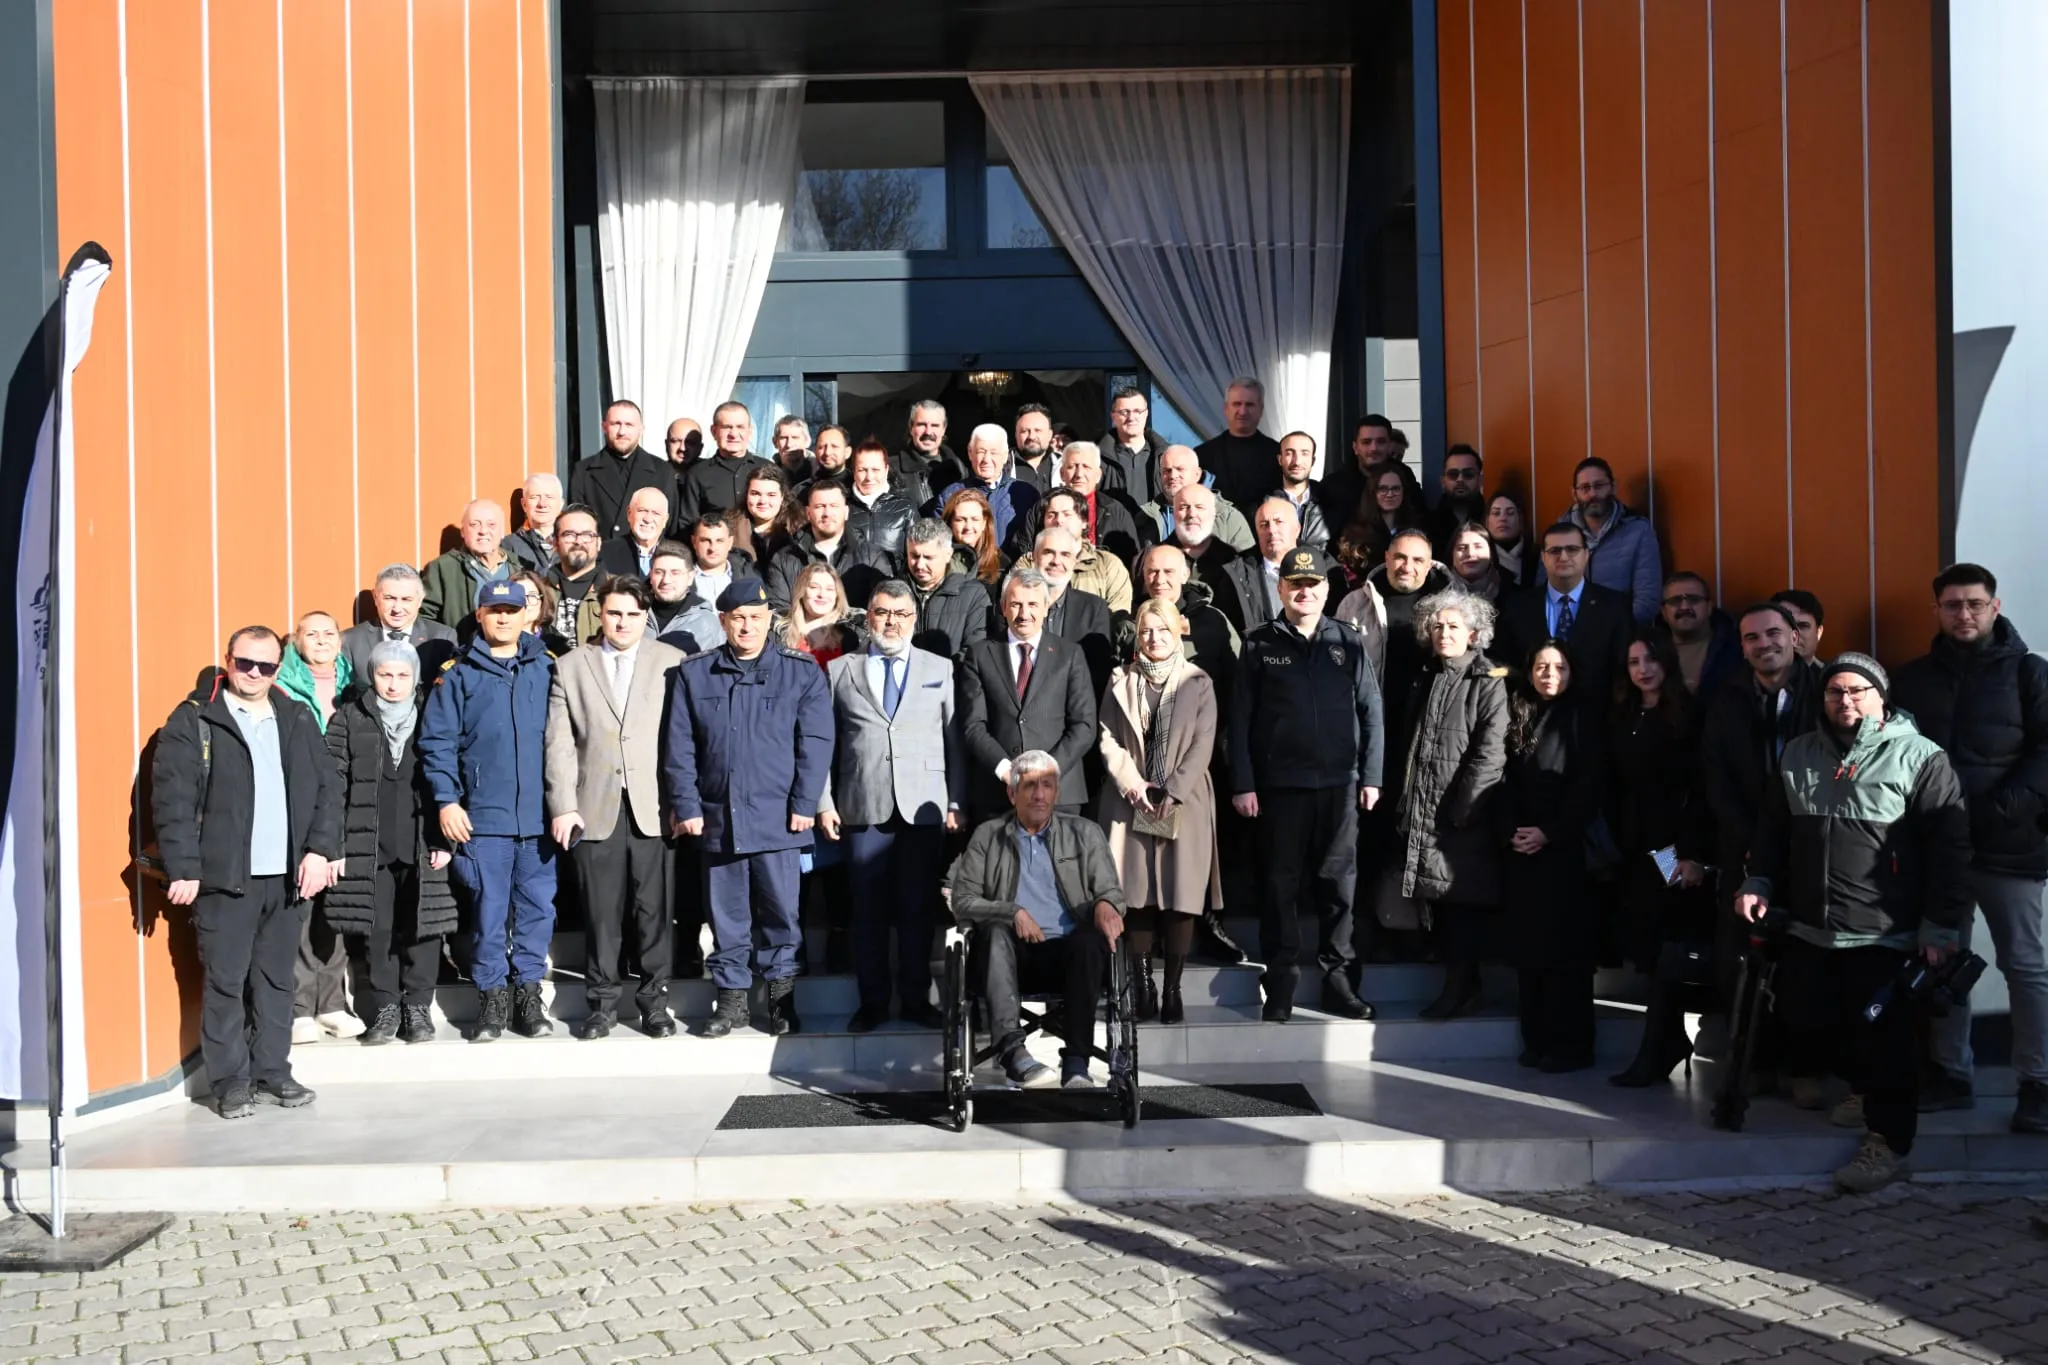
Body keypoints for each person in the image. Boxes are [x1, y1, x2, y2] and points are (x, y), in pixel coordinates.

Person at [1737, 653, 1972, 1192]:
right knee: (1811, 1017)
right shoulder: (1799, 753)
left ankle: (1888, 1144)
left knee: (1885, 1041)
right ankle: (1861, 1089)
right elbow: (1772, 831)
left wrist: (1940, 927)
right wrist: (1758, 882)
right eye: (1834, 691)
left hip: (1884, 929)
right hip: (1811, 927)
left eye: (1857, 691)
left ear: (1881, 698)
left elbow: (1950, 851)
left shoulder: (1921, 757)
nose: (1845, 700)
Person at [152, 626, 341, 1120]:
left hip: (287, 878)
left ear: (278, 668)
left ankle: (274, 1072)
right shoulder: (195, 719)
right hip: (224, 880)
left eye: (266, 665)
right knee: (226, 983)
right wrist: (184, 867)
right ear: (228, 660)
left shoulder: (296, 716)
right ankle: (231, 1083)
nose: (255, 673)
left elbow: (327, 789)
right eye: (245, 663)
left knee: (277, 982)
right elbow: (172, 801)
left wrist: (320, 851)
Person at [1891, 563, 2048, 1129]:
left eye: (1975, 604)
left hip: (2010, 846)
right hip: (1938, 851)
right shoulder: (1912, 679)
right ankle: (1951, 1074)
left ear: (1994, 607)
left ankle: (2038, 1083)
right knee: (1941, 960)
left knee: (2024, 966)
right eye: (1953, 604)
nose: (1964, 614)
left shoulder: (2030, 673)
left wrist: (1997, 810)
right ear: (1936, 610)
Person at [664, 577, 834, 1039]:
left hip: (780, 817)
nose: (747, 627)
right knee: (726, 915)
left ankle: (781, 998)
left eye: (756, 618)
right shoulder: (696, 673)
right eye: (737, 618)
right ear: (723, 621)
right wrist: (687, 805)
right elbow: (679, 746)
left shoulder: (800, 672)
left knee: (781, 913)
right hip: (719, 816)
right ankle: (732, 999)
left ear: (769, 620)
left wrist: (805, 803)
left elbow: (816, 743)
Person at [1229, 546, 1383, 1023]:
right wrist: (1243, 782)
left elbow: (1371, 713)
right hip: (1280, 788)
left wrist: (1372, 776)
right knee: (1281, 888)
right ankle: (1280, 985)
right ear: (1280, 589)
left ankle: (1340, 983)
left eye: (1312, 584)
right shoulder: (1258, 644)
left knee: (1339, 887)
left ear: (1326, 589)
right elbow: (1240, 720)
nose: (1304, 592)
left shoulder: (1348, 641)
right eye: (1295, 585)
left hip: (1341, 785)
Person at [818, 582, 964, 1032]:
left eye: (901, 614)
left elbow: (953, 741)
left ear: (914, 620)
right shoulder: (840, 670)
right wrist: (824, 802)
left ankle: (917, 999)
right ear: (869, 617)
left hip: (924, 806)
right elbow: (825, 743)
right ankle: (874, 1002)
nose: (891, 622)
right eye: (883, 613)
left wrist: (955, 799)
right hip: (862, 804)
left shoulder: (940, 668)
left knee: (918, 908)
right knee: (868, 911)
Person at [544, 577, 685, 1040]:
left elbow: (682, 739)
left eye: (632, 614)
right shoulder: (570, 666)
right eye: (614, 613)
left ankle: (654, 1003)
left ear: (646, 617)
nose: (623, 622)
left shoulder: (671, 662)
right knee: (601, 914)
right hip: (593, 806)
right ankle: (601, 1005)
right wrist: (563, 805)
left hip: (655, 806)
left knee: (654, 911)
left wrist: (682, 801)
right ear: (600, 614)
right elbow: (559, 743)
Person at [418, 580, 558, 1043]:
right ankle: (492, 999)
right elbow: (437, 743)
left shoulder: (548, 667)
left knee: (537, 911)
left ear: (525, 615)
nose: (502, 618)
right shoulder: (458, 674)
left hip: (539, 819)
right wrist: (447, 800)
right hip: (483, 818)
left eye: (511, 610)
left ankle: (528, 996)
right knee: (487, 914)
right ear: (479, 615)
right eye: (494, 610)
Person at [947, 750, 1129, 1089]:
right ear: (1012, 793)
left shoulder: (1085, 833)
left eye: (1047, 785)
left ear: (1057, 791)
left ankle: (1076, 1061)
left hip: (1069, 956)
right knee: (994, 934)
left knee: (1090, 941)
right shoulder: (988, 835)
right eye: (1030, 786)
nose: (1040, 795)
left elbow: (1111, 891)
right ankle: (1013, 1052)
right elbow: (963, 900)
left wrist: (1106, 904)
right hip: (1010, 958)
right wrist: (1011, 911)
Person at [1699, 601, 1820, 1059]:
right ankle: (1752, 1062)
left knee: (1804, 964)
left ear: (1795, 638)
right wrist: (1750, 844)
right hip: (1744, 851)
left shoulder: (1826, 693)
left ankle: (1803, 1067)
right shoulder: (1726, 698)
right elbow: (1715, 778)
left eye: (1773, 634)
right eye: (1752, 637)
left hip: (1811, 851)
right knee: (1738, 962)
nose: (1763, 644)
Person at [322, 640, 455, 1047]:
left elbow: (448, 777)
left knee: (423, 927)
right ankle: (385, 1006)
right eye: (385, 674)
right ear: (372, 675)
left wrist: (443, 838)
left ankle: (418, 1007)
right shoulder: (349, 718)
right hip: (368, 843)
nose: (394, 684)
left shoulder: (434, 714)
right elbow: (331, 785)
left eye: (402, 675)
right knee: (377, 928)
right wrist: (334, 845)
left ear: (415, 678)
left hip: (422, 840)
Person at [1098, 598, 1221, 1025]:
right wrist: (1134, 785)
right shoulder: (1120, 679)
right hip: (1131, 799)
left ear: (1177, 632)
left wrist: (1173, 789)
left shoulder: (1197, 681)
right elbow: (1108, 738)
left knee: (1180, 893)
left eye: (1162, 630)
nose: (1154, 638)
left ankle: (1172, 990)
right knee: (1137, 893)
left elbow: (1203, 742)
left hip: (1182, 799)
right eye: (1146, 631)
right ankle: (1144, 985)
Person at [1392, 590, 1509, 1020]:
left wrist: (1464, 810)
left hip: (1460, 816)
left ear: (1474, 634)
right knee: (1439, 902)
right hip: (1425, 808)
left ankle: (1460, 989)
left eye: (1454, 626)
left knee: (1459, 904)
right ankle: (1460, 986)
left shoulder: (1488, 680)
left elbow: (1490, 753)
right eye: (1438, 626)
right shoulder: (1429, 675)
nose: (1444, 633)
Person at [1608, 629, 1717, 1087]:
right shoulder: (1624, 712)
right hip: (1635, 849)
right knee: (1648, 948)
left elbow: (1700, 790)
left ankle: (1658, 1049)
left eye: (1651, 659)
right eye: (1634, 662)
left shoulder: (1689, 714)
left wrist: (1690, 856)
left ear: (1667, 661)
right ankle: (1667, 1041)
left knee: (1666, 945)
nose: (1643, 670)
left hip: (1670, 849)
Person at [1135, 543, 1247, 966]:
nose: (1159, 579)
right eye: (1152, 571)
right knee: (1151, 852)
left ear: (1185, 575)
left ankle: (1208, 925)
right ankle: (1157, 936)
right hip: (1147, 762)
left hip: (1202, 756)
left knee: (1200, 853)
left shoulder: (1212, 621)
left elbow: (1236, 683)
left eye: (1169, 571)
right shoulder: (1133, 620)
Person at [1501, 640, 1602, 1071]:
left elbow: (1589, 784)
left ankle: (1570, 1046)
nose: (1549, 675)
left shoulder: (1584, 715)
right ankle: (1537, 1040)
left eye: (1559, 666)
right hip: (1523, 850)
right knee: (1530, 952)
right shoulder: (1519, 712)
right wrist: (1514, 832)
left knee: (1566, 954)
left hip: (1566, 851)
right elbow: (1505, 779)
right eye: (1541, 667)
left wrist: (1550, 832)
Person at [276, 611, 361, 1043]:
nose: (322, 640)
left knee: (336, 906)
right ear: (297, 641)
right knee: (302, 905)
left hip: (347, 804)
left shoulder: (356, 684)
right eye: (312, 633)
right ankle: (299, 1008)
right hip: (300, 804)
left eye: (329, 633)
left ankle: (332, 1004)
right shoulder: (280, 687)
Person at [958, 566, 1097, 817]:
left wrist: (1046, 771)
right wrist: (1005, 770)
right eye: (1016, 604)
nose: (1024, 614)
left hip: (1059, 794)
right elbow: (973, 725)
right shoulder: (979, 655)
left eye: (1033, 604)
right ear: (1003, 607)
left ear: (1046, 607)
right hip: (997, 796)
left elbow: (1084, 725)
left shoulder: (1070, 655)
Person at [1495, 521, 1632, 704]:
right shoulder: (1516, 606)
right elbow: (1507, 665)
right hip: (1533, 713)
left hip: (1597, 714)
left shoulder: (1615, 606)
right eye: (1555, 551)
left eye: (1572, 549)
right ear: (1543, 558)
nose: (1564, 557)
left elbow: (1622, 670)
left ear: (1587, 555)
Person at [1538, 457, 1663, 623]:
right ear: (1574, 494)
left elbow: (1647, 601)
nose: (1592, 494)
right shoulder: (1558, 534)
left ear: (1613, 487)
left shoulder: (1638, 531)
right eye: (1585, 488)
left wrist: (1608, 630)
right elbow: (1543, 593)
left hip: (1622, 633)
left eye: (1599, 486)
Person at [1333, 529, 1452, 698]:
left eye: (1417, 560)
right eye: (1400, 557)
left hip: (1431, 708)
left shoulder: (1452, 606)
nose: (1407, 567)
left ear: (1429, 565)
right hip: (1370, 708)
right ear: (1387, 558)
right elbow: (1337, 662)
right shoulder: (1354, 604)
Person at [765, 478, 892, 612]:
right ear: (808, 513)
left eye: (834, 506)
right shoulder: (785, 558)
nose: (827, 513)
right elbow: (779, 612)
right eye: (820, 506)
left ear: (846, 512)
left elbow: (883, 608)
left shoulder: (872, 557)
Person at [569, 399, 679, 540]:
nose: (622, 432)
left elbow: (670, 524)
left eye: (629, 425)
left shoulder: (662, 471)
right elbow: (577, 522)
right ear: (604, 427)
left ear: (641, 429)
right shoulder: (584, 471)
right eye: (616, 424)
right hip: (602, 551)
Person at [1032, 525, 1116, 697]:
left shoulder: (1094, 608)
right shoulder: (1015, 605)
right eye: (1048, 552)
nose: (1056, 561)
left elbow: (1098, 675)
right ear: (1034, 557)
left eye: (1065, 554)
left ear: (1074, 561)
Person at [341, 563, 460, 681]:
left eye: (406, 599)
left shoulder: (443, 637)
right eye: (389, 598)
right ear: (375, 597)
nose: (397, 609)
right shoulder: (350, 640)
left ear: (420, 600)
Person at [938, 424, 1039, 550]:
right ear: (970, 453)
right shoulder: (949, 495)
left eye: (994, 453)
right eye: (981, 452)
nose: (986, 459)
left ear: (1005, 456)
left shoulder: (1026, 493)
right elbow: (939, 544)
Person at [902, 517, 990, 659]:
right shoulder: (893, 593)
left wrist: (944, 670)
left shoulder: (973, 595)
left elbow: (975, 651)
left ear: (948, 555)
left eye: (928, 557)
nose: (920, 565)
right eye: (914, 556)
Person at [1139, 445, 1254, 553]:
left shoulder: (1226, 516)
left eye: (1180, 469)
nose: (1173, 476)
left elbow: (1248, 562)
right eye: (1166, 471)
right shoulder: (1145, 517)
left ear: (1197, 474)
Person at [1216, 497, 1303, 638]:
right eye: (1264, 525)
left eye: (1279, 522)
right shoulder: (1236, 575)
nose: (1271, 530)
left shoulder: (1325, 570)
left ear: (1297, 529)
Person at [1194, 377, 1281, 516]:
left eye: (1250, 405)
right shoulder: (1202, 455)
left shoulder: (1279, 455)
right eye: (1236, 404)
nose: (1242, 411)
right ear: (1226, 408)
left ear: (1261, 409)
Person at [675, 401, 772, 524]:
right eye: (727, 427)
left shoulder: (768, 469)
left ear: (750, 431)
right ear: (713, 431)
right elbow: (687, 523)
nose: (733, 434)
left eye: (740, 427)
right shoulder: (698, 474)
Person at [421, 499, 514, 624]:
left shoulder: (519, 566)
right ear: (463, 532)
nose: (483, 531)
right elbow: (425, 620)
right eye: (474, 525)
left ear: (502, 531)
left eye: (491, 525)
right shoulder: (442, 569)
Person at [1043, 488, 1133, 614]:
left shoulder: (1108, 565)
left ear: (1084, 522)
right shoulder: (1029, 563)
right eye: (1051, 515)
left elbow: (1119, 616)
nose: (1059, 520)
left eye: (1067, 514)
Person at [1655, 571, 1741, 697]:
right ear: (1663, 612)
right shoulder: (1650, 651)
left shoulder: (1736, 647)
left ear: (1709, 607)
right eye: (1675, 601)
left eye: (1694, 599)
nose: (1685, 607)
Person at [1056, 441, 1143, 565]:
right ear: (1062, 473)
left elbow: (1132, 560)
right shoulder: (1045, 508)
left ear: (1098, 475)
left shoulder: (1116, 512)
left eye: (1086, 467)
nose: (1079, 474)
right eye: (1072, 467)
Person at [1315, 413, 1399, 537]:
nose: (1374, 448)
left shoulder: (1405, 479)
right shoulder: (1333, 487)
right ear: (1355, 447)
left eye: (1381, 441)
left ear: (1389, 446)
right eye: (1366, 442)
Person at [845, 440, 918, 561]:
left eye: (875, 470)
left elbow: (916, 553)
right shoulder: (841, 507)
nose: (869, 477)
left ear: (886, 470)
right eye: (862, 470)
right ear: (854, 471)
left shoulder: (905, 507)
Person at [780, 562, 863, 668]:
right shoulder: (779, 633)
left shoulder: (852, 634)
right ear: (802, 591)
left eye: (829, 589)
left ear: (837, 595)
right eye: (814, 587)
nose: (822, 595)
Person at [546, 505, 606, 647]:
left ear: (598, 543)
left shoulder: (617, 590)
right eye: (569, 535)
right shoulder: (539, 590)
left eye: (587, 535)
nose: (578, 542)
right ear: (555, 543)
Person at [1099, 386, 1171, 505]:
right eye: (1124, 412)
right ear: (1113, 416)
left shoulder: (1166, 457)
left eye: (1137, 411)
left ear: (1146, 414)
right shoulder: (1097, 459)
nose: (1131, 418)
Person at [647, 541, 723, 652]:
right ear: (650, 575)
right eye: (659, 572)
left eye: (675, 573)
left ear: (691, 577)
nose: (666, 580)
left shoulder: (707, 624)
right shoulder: (633, 614)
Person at [1349, 464, 1429, 569]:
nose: (1390, 494)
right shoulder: (1355, 534)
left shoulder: (1418, 529)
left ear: (1403, 492)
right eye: (1383, 489)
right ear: (1373, 492)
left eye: (1396, 488)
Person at [892, 398, 964, 507]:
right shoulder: (892, 469)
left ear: (943, 429)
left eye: (935, 425)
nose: (928, 432)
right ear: (911, 427)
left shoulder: (959, 468)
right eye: (921, 424)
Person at [1268, 431, 1332, 549]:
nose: (1297, 461)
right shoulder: (1263, 504)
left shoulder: (1330, 503)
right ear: (1280, 459)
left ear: (1313, 460)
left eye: (1304, 454)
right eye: (1289, 453)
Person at [598, 486, 672, 578]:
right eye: (642, 510)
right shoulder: (606, 551)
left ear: (665, 520)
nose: (648, 519)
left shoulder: (676, 557)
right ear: (629, 513)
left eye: (656, 513)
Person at [944, 487, 1006, 587]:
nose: (968, 527)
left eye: (975, 519)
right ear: (950, 523)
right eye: (960, 520)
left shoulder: (1002, 565)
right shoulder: (938, 560)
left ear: (984, 523)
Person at [1431, 444, 1489, 551]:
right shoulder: (1426, 525)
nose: (1460, 479)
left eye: (1468, 474)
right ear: (1443, 481)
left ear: (1480, 480)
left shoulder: (1493, 521)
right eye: (1453, 474)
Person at [688, 512, 752, 608]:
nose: (713, 548)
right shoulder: (679, 579)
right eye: (705, 540)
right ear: (694, 542)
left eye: (719, 541)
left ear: (730, 542)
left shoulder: (749, 576)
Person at [506, 472, 564, 572]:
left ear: (561, 504)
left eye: (549, 497)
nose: (542, 504)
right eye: (534, 497)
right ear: (524, 504)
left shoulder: (575, 542)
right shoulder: (508, 545)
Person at [738, 466, 794, 564]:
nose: (763, 501)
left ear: (782, 497)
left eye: (771, 495)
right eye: (755, 494)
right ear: (747, 495)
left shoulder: (798, 531)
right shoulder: (730, 530)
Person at [1446, 521, 1511, 602]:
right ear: (1451, 555)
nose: (1470, 554)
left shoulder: (1513, 592)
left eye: (1478, 547)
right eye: (1462, 548)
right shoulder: (1437, 590)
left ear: (1491, 553)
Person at [1011, 402, 1060, 493]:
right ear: (1016, 435)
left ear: (1050, 434)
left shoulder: (1063, 464)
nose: (1032, 436)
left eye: (1038, 430)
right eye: (1025, 431)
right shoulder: (1003, 465)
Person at [1486, 492, 1531, 587]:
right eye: (1496, 513)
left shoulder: (1539, 557)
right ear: (1487, 521)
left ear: (1521, 519)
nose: (1503, 518)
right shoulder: (1480, 558)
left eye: (1510, 513)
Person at [1772, 588, 1828, 662]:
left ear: (1819, 632)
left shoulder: (1833, 669)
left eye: (1802, 626)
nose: (1793, 635)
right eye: (1784, 625)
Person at [769, 414, 816, 486]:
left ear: (807, 441)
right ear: (775, 442)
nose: (789, 444)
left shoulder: (819, 473)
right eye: (783, 438)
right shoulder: (767, 474)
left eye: (795, 437)